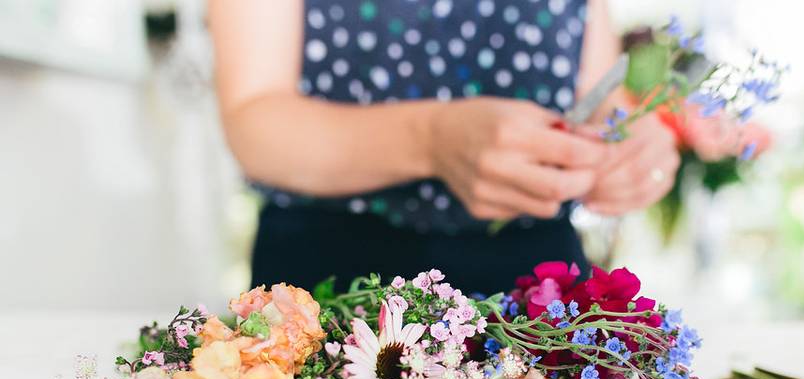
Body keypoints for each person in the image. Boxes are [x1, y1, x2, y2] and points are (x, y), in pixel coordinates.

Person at [210, 0, 680, 294]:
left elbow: (598, 95)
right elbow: (254, 122)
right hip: (334, 278)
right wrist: (434, 139)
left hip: (537, 288)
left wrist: (633, 143)